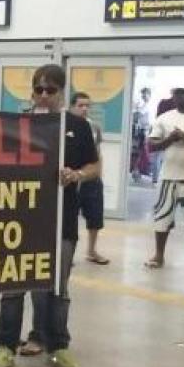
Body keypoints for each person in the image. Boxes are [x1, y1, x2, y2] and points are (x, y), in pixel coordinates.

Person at [0, 64, 99, 367]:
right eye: (38, 89)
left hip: (62, 219)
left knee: (57, 288)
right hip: (21, 219)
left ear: (62, 92)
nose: (43, 95)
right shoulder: (18, 126)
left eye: (50, 90)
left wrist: (76, 175)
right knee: (13, 286)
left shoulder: (78, 126)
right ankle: (5, 346)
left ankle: (58, 346)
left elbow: (94, 166)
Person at [144, 87, 184, 271]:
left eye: (182, 93)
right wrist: (170, 139)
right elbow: (151, 146)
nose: (178, 97)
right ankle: (159, 255)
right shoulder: (164, 118)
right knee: (162, 218)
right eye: (175, 93)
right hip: (167, 177)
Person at [70, 92, 109, 265]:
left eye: (87, 105)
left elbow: (97, 152)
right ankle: (67, 253)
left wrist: (98, 173)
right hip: (72, 178)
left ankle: (91, 251)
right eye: (80, 105)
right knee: (69, 218)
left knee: (95, 217)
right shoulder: (66, 126)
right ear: (72, 106)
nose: (84, 108)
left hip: (91, 179)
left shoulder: (94, 127)